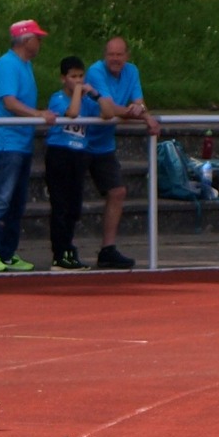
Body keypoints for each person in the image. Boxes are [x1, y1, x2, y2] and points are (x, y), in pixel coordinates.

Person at [0, 20, 53, 272]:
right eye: (37, 39)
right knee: (3, 199)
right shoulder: (7, 64)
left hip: (20, 142)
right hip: (5, 143)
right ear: (26, 40)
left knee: (17, 201)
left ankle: (7, 252)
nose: (40, 43)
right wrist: (38, 114)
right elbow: (9, 102)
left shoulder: (24, 64)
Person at [83, 36, 160, 270]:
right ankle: (62, 251)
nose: (115, 59)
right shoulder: (96, 72)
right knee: (70, 197)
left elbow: (139, 103)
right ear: (104, 56)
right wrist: (138, 114)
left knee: (117, 191)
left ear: (127, 56)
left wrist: (142, 112)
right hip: (80, 140)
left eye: (119, 54)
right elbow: (110, 108)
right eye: (111, 54)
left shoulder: (132, 71)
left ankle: (107, 249)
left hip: (103, 144)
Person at [42, 56, 105, 270]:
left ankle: (68, 248)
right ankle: (59, 254)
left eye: (81, 76)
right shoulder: (57, 98)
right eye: (73, 77)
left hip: (79, 155)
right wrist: (78, 91)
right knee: (60, 206)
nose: (78, 81)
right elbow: (72, 113)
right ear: (63, 78)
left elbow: (108, 112)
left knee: (74, 207)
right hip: (60, 154)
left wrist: (96, 94)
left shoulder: (88, 101)